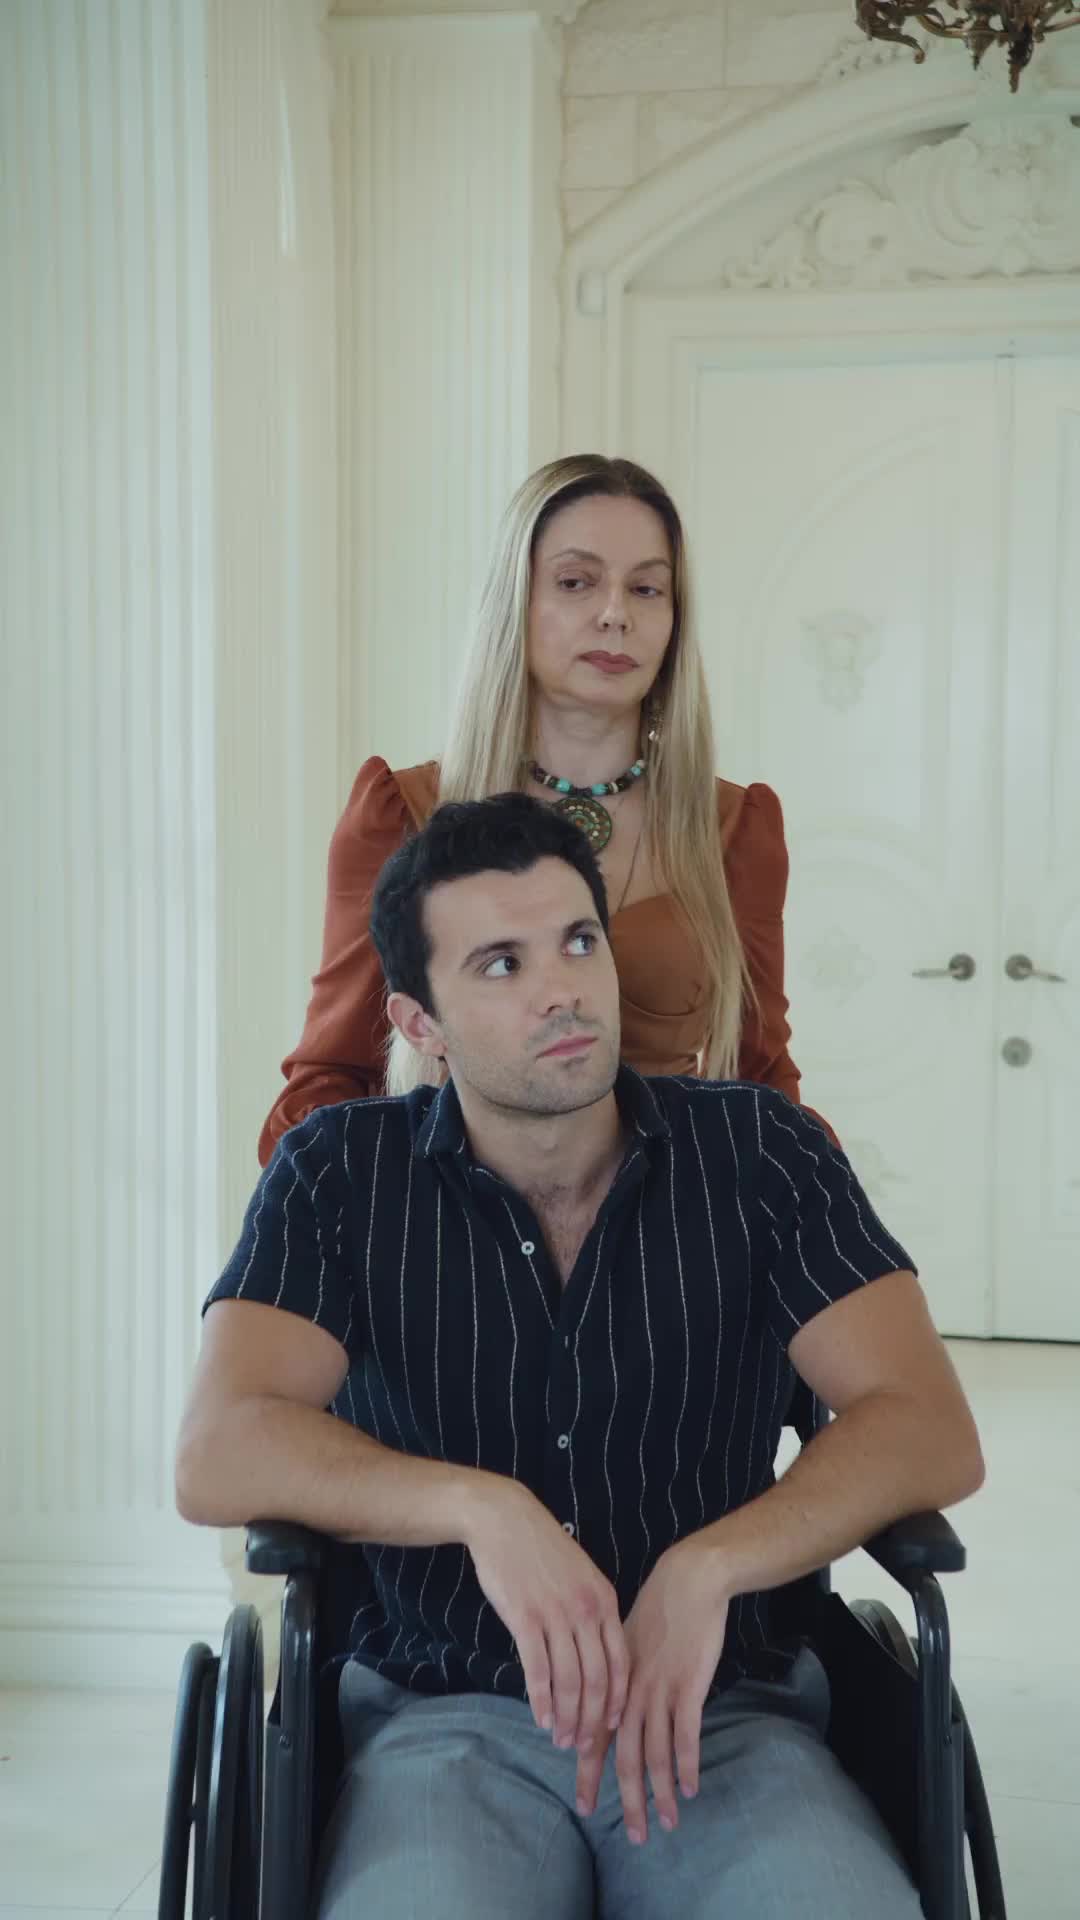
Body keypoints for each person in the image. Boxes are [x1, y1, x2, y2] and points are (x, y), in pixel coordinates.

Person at [177, 794, 984, 1920]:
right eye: (501, 964)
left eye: (577, 941)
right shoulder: (340, 1175)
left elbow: (929, 1424)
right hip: (444, 1722)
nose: (561, 989)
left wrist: (710, 1566)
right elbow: (218, 1450)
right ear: (419, 1023)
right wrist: (481, 1510)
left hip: (725, 1717)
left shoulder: (760, 1154)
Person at [258, 453, 834, 1165]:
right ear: (515, 602)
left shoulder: (735, 829)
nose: (616, 614)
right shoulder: (400, 813)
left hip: (674, 1221)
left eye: (647, 588)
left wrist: (817, 1203)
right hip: (455, 1215)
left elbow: (762, 1075)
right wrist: (356, 1211)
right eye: (575, 582)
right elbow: (331, 1077)